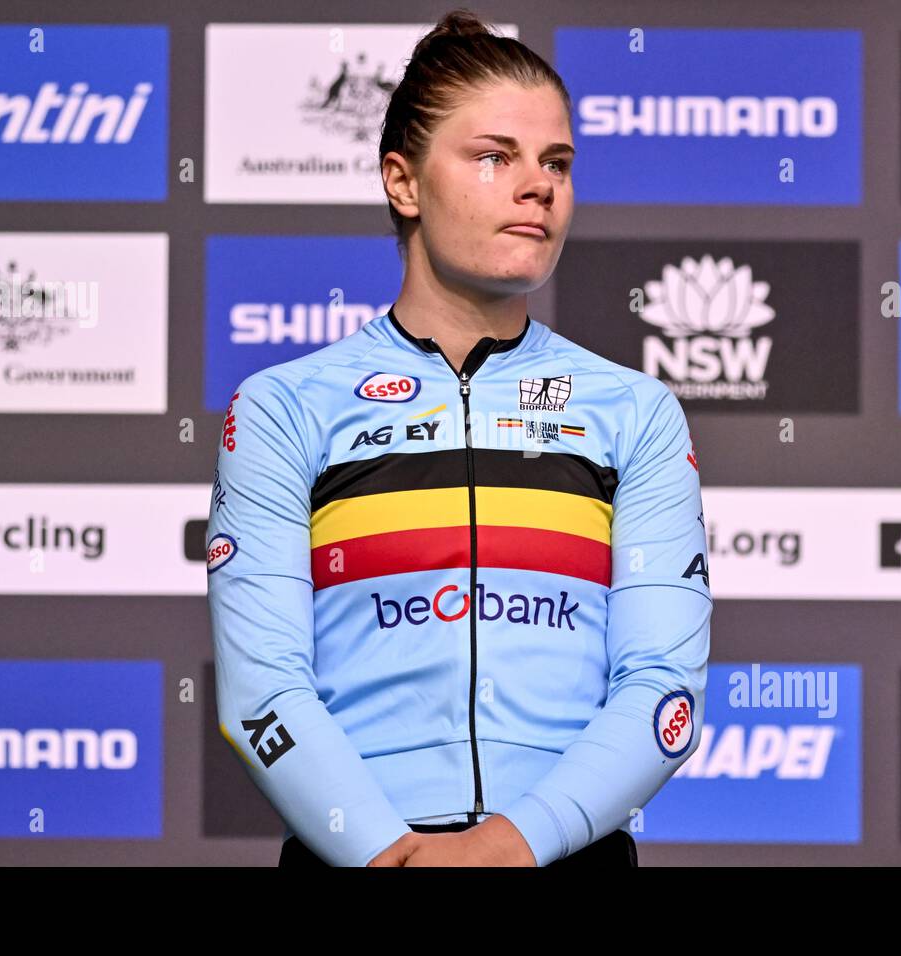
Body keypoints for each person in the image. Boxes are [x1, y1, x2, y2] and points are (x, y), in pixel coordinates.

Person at [206, 9, 713, 868]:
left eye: (556, 162)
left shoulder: (637, 410)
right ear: (403, 183)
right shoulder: (282, 406)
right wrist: (381, 849)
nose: (538, 187)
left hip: (564, 859)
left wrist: (519, 841)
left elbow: (663, 691)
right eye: (493, 157)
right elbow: (262, 689)